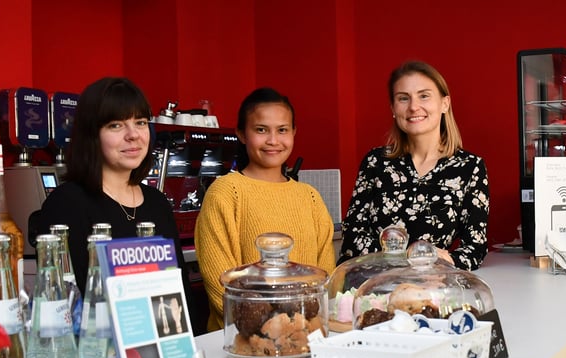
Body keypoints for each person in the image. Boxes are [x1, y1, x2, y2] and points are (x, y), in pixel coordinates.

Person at [194, 87, 336, 332]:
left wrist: (306, 325)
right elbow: (220, 283)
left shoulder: (310, 197)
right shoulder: (226, 192)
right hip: (244, 340)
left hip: (307, 336)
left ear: (293, 133)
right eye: (261, 130)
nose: (273, 140)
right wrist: (267, 329)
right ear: (241, 133)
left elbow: (325, 279)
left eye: (282, 130)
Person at [339, 61, 490, 270]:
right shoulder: (375, 162)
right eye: (403, 98)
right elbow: (353, 237)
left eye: (424, 95)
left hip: (433, 287)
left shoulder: (469, 167)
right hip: (374, 288)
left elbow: (475, 247)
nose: (413, 107)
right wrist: (407, 259)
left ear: (445, 103)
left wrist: (447, 260)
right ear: (393, 108)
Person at [31, 77, 180, 284]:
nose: (133, 135)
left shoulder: (158, 203)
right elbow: (70, 300)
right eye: (116, 125)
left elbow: (181, 293)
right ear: (91, 135)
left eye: (141, 122)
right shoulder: (66, 205)